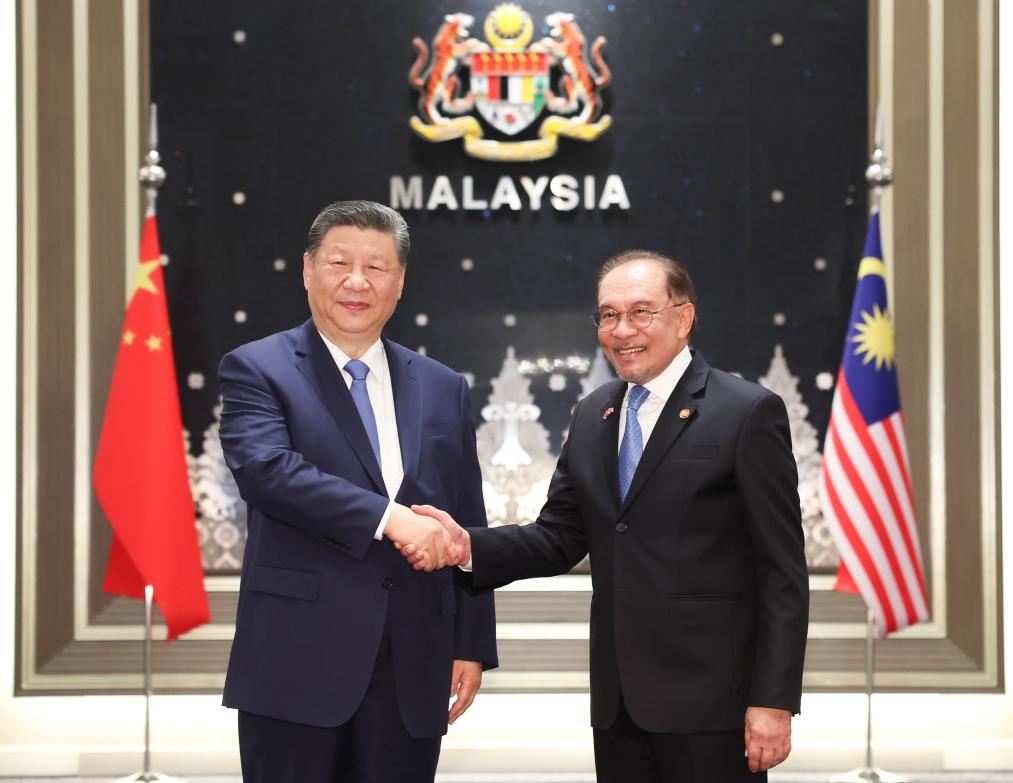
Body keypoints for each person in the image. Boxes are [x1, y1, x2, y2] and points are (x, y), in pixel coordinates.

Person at [405, 249, 809, 782]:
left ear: (683, 318)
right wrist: (468, 547)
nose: (622, 330)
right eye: (609, 315)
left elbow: (782, 572)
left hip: (714, 707)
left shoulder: (747, 412)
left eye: (641, 312)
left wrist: (773, 701)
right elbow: (559, 537)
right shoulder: (594, 413)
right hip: (619, 706)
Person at [218, 200, 496, 783]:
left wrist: (472, 641)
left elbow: (466, 518)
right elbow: (268, 472)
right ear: (307, 269)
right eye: (340, 262)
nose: (357, 281)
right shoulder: (257, 368)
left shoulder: (443, 386)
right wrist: (391, 519)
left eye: (376, 267)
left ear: (400, 281)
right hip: (297, 659)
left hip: (413, 662)